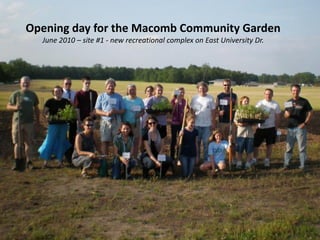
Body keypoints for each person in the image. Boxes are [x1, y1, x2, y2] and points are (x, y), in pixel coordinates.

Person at [6, 76, 40, 171]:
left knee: (29, 143)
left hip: (29, 122)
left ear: (30, 83)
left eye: (27, 82)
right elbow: (8, 106)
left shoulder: (32, 95)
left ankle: (29, 162)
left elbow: (36, 109)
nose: (25, 84)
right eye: (24, 82)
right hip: (17, 122)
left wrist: (37, 121)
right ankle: (17, 162)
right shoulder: (16, 94)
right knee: (17, 143)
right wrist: (15, 108)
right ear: (20, 83)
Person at [38, 86, 72, 168]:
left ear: (62, 92)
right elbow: (45, 112)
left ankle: (60, 161)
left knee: (61, 142)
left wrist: (68, 116)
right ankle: (46, 161)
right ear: (53, 92)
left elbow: (70, 112)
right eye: (56, 91)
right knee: (50, 141)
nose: (58, 93)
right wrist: (46, 117)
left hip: (63, 125)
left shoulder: (66, 101)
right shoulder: (50, 101)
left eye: (59, 91)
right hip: (53, 125)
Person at [283, 84, 312, 170]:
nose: (295, 92)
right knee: (289, 148)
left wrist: (305, 123)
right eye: (293, 90)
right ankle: (286, 164)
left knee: (302, 148)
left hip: (301, 127)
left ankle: (302, 165)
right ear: (291, 91)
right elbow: (285, 115)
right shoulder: (288, 102)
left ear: (299, 91)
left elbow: (310, 112)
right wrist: (288, 113)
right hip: (290, 127)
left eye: (297, 90)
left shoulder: (304, 101)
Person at [95, 78, 125, 155]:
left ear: (114, 86)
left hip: (116, 121)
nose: (110, 87)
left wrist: (116, 111)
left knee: (116, 141)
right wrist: (105, 113)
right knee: (105, 141)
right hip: (105, 121)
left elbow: (123, 110)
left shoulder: (119, 97)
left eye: (112, 86)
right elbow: (97, 110)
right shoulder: (101, 96)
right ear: (106, 86)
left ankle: (116, 159)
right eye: (109, 86)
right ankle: (104, 160)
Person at [253, 89, 281, 168]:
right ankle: (255, 159)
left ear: (272, 95)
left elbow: (278, 117)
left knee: (269, 145)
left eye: (269, 94)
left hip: (271, 128)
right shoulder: (260, 103)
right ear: (264, 94)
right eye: (266, 94)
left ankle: (267, 160)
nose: (268, 95)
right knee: (255, 144)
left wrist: (276, 128)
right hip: (261, 127)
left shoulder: (275, 104)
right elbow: (255, 114)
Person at [190, 81, 216, 163]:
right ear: (198, 89)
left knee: (206, 143)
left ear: (207, 89)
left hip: (207, 125)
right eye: (200, 88)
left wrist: (213, 122)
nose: (202, 89)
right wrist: (192, 123)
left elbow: (213, 111)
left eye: (204, 88)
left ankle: (205, 159)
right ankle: (197, 158)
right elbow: (192, 112)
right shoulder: (194, 98)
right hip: (197, 124)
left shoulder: (210, 98)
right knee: (196, 143)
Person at [122, 84, 145, 160]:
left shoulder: (139, 100)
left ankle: (134, 158)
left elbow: (143, 111)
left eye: (134, 89)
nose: (132, 91)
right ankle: (126, 158)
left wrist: (140, 114)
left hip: (136, 124)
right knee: (126, 141)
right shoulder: (123, 99)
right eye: (130, 89)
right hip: (125, 124)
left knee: (135, 141)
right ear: (127, 91)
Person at [233, 96, 255, 169]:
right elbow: (235, 121)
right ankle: (239, 162)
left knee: (249, 150)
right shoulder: (238, 111)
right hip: (240, 133)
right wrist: (240, 124)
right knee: (239, 149)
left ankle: (248, 163)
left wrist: (251, 123)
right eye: (244, 101)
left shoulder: (251, 111)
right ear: (241, 102)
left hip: (249, 134)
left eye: (247, 101)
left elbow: (255, 120)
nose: (246, 102)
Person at [61, 77, 77, 165]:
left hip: (72, 118)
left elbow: (76, 106)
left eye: (69, 84)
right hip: (63, 119)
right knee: (63, 138)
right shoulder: (60, 93)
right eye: (66, 83)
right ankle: (63, 156)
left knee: (72, 138)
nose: (68, 85)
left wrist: (72, 104)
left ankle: (70, 157)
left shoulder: (74, 93)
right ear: (63, 84)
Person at [170, 87, 187, 161]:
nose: (182, 94)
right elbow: (171, 112)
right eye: (180, 92)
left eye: (183, 92)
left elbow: (187, 111)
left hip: (182, 123)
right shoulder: (173, 101)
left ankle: (179, 156)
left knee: (181, 139)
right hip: (174, 123)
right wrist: (175, 104)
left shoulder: (185, 101)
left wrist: (187, 110)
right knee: (173, 140)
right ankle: (172, 156)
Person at [179, 115, 198, 179]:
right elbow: (179, 143)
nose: (193, 124)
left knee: (190, 172)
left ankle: (190, 175)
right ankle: (185, 175)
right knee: (185, 172)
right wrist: (180, 136)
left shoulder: (195, 131)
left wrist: (197, 155)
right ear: (187, 121)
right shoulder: (183, 131)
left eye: (194, 122)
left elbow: (196, 143)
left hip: (192, 153)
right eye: (191, 122)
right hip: (184, 153)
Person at [140, 85, 154, 154]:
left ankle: (150, 154)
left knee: (150, 140)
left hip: (151, 124)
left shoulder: (154, 100)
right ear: (145, 92)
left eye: (151, 91)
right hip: (143, 123)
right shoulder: (142, 100)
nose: (149, 92)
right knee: (142, 139)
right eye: (148, 91)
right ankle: (142, 154)